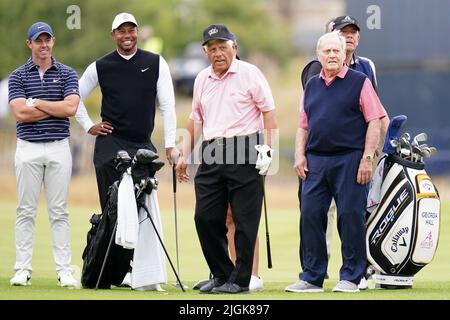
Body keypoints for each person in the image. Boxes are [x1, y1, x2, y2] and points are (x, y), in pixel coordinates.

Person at [75, 13, 177, 291]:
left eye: (131, 30)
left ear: (137, 32)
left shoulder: (156, 62)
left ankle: (143, 271)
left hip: (142, 144)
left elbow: (167, 105)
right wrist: (88, 126)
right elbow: (74, 97)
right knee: (113, 210)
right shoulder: (101, 66)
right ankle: (115, 271)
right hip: (110, 144)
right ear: (113, 35)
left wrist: (170, 143)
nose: (127, 35)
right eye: (121, 31)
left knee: (144, 210)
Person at [176, 24, 277, 294]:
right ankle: (222, 274)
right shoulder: (201, 79)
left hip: (245, 149)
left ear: (234, 46)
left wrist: (269, 148)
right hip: (211, 150)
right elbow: (196, 120)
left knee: (244, 219)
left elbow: (268, 112)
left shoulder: (250, 73)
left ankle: (241, 279)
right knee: (205, 217)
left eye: (223, 47)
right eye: (212, 48)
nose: (218, 53)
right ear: (205, 52)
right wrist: (184, 154)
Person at [286, 32, 387, 293]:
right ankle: (312, 277)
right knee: (310, 215)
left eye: (336, 51)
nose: (332, 55)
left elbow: (374, 120)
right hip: (316, 160)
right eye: (327, 51)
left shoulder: (360, 81)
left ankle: (352, 277)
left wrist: (367, 157)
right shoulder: (312, 85)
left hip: (351, 159)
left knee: (350, 217)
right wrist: (299, 155)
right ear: (318, 56)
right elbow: (303, 125)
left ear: (344, 55)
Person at [8, 22, 80, 287]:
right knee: (26, 210)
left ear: (53, 41)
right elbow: (20, 113)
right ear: (29, 44)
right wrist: (55, 107)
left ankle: (64, 271)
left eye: (47, 40)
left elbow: (71, 108)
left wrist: (36, 102)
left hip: (59, 146)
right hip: (27, 147)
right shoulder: (17, 76)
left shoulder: (67, 73)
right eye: (38, 41)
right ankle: (22, 269)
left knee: (59, 211)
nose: (44, 45)